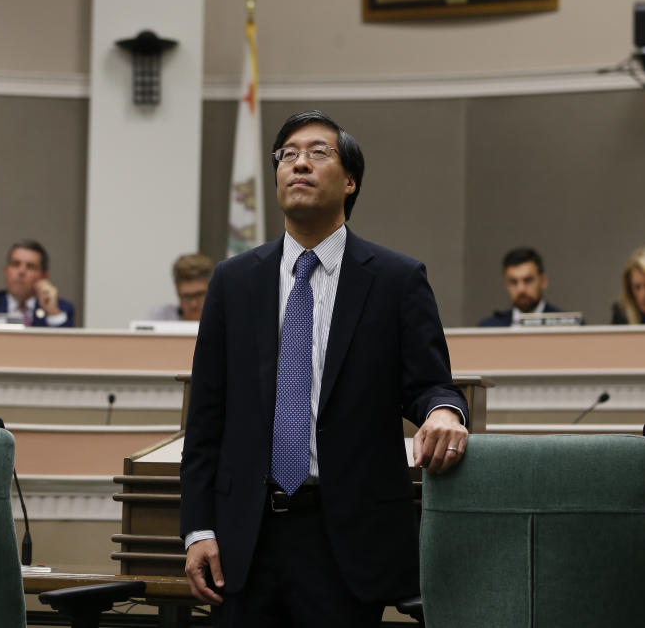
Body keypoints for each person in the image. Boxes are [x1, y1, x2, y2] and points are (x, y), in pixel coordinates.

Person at [180, 110, 469, 627]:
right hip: (245, 538)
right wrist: (199, 529)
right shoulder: (234, 281)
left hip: (345, 542)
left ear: (351, 180)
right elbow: (206, 419)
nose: (299, 164)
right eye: (287, 155)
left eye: (318, 153)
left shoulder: (396, 280)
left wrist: (445, 411)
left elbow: (430, 384)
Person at [0, 239, 75, 327]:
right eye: (15, 264)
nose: (21, 271)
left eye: (30, 266)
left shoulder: (61, 309)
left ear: (44, 276)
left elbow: (68, 351)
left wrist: (52, 312)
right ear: (6, 270)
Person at [478, 247, 563, 327]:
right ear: (506, 284)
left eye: (528, 280)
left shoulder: (565, 324)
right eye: (513, 282)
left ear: (543, 281)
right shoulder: (489, 328)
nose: (521, 289)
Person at [147, 253, 215, 321]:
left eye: (200, 295)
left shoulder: (223, 320)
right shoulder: (161, 317)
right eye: (186, 297)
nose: (193, 304)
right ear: (178, 292)